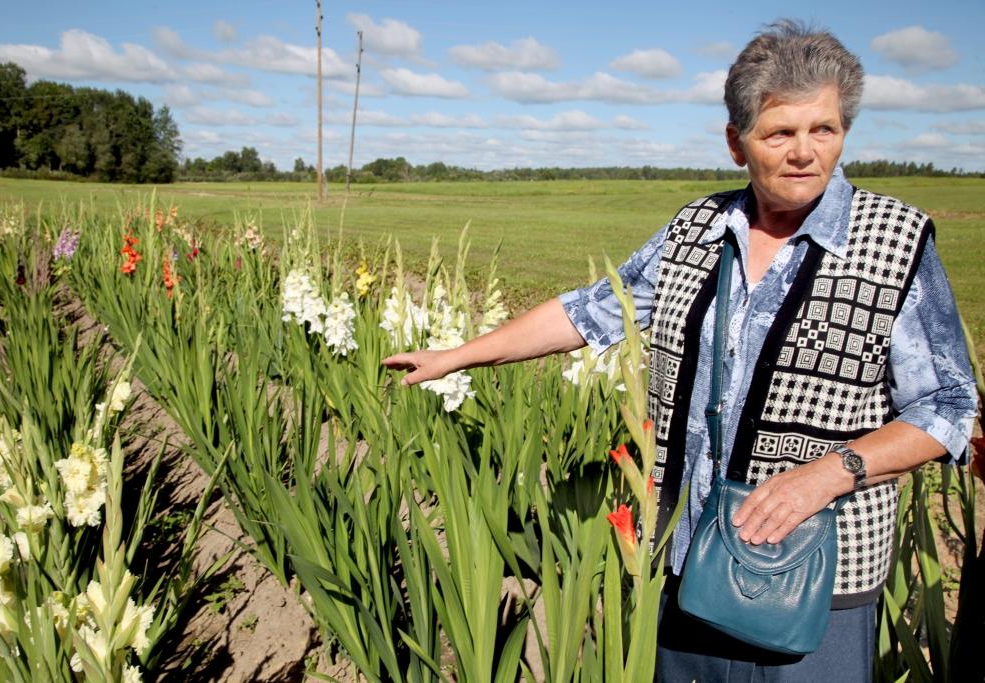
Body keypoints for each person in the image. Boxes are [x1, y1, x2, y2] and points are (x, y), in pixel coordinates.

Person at [382, 20, 976, 682]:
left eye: (825, 129)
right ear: (736, 143)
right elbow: (592, 310)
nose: (806, 151)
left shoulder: (894, 243)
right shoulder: (697, 228)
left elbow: (947, 406)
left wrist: (829, 473)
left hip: (812, 589)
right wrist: (460, 354)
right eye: (781, 132)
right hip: (685, 564)